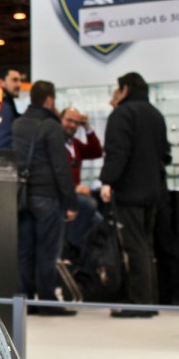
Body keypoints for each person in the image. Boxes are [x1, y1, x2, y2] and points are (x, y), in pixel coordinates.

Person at [99, 72, 171, 316]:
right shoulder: (156, 114)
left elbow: (117, 152)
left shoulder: (122, 114)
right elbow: (165, 154)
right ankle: (149, 301)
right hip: (154, 191)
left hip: (130, 191)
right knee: (147, 247)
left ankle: (139, 303)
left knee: (135, 247)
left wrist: (107, 181)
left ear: (125, 89)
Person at [13, 80, 78, 313]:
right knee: (47, 251)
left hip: (21, 195)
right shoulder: (51, 126)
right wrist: (70, 200)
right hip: (48, 196)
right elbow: (61, 167)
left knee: (25, 251)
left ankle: (25, 301)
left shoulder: (17, 124)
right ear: (49, 100)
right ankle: (48, 301)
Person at [60, 107, 103, 256]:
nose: (72, 125)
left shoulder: (75, 144)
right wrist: (75, 188)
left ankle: (83, 264)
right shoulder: (56, 144)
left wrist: (88, 128)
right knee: (89, 205)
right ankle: (71, 248)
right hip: (63, 194)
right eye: (69, 120)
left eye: (76, 122)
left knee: (98, 222)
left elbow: (96, 151)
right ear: (60, 119)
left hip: (74, 196)